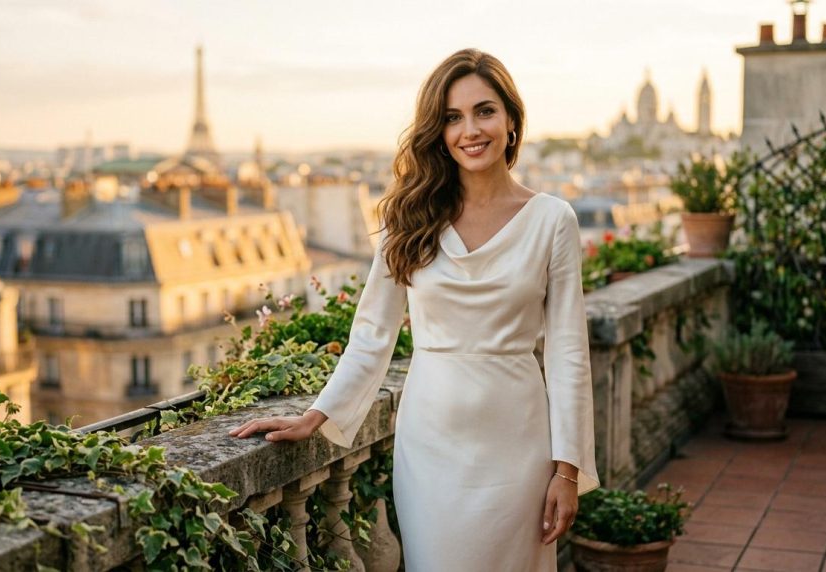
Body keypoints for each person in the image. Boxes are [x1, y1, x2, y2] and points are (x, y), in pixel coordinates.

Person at [229, 48, 599, 571]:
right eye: (452, 117)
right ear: (438, 131)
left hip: (519, 443)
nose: (470, 129)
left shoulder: (552, 220)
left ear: (512, 122)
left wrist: (567, 472)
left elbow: (567, 354)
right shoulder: (408, 216)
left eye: (485, 111)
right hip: (431, 447)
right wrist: (317, 415)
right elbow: (371, 335)